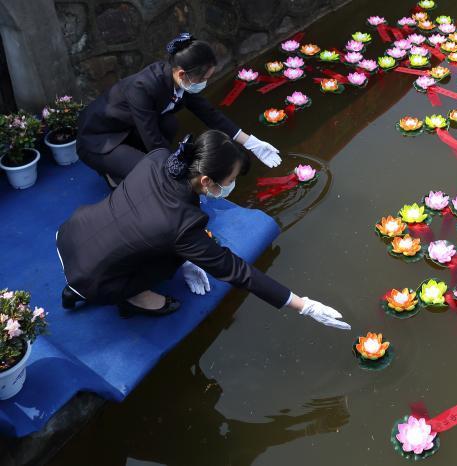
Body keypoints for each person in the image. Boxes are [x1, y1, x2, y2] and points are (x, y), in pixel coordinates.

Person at [56, 130, 350, 331]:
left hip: (69, 234)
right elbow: (236, 271)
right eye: (231, 179)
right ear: (207, 181)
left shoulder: (160, 158)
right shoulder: (183, 225)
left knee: (172, 249)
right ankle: (133, 297)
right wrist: (303, 305)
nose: (232, 185)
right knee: (172, 257)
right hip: (96, 281)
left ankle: (82, 286)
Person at [76, 32, 280, 187]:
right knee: (153, 178)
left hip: (130, 128)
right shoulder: (142, 88)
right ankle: (113, 173)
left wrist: (252, 143)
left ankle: (131, 162)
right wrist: (183, 177)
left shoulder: (179, 81)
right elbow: (153, 140)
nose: (205, 83)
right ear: (183, 74)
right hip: (100, 139)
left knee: (170, 123)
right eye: (204, 79)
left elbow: (210, 114)